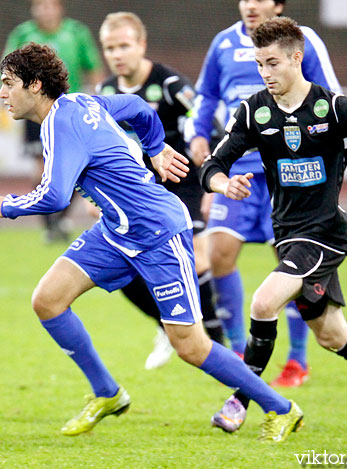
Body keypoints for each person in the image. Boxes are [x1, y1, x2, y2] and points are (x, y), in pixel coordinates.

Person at [0, 42, 303, 441]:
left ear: (34, 85)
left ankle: (282, 407)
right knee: (47, 300)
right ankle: (107, 393)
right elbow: (138, 110)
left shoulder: (62, 123)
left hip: (158, 233)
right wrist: (154, 149)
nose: (2, 93)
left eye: (8, 84)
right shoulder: (82, 103)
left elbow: (54, 196)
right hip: (116, 232)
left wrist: (6, 205)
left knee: (188, 345)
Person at [199, 17, 347, 433]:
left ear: (297, 58)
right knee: (332, 336)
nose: (265, 73)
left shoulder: (334, 108)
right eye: (260, 65)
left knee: (263, 302)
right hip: (287, 233)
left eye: (273, 63)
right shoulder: (254, 110)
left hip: (325, 233)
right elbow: (212, 165)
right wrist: (225, 184)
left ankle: (241, 401)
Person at [189, 0, 342, 391]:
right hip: (238, 169)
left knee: (289, 266)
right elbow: (205, 95)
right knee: (219, 253)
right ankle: (241, 353)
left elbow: (331, 99)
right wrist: (200, 134)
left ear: (278, 4)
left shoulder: (303, 42)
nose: (250, 5)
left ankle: (297, 360)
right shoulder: (223, 43)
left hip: (287, 171)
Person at [97, 11, 224, 370]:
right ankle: (168, 327)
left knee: (198, 259)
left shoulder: (169, 84)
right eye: (110, 48)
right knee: (121, 269)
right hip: (138, 192)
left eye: (124, 45)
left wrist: (213, 181)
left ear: (141, 45)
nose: (117, 54)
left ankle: (219, 344)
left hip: (183, 182)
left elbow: (208, 126)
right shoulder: (105, 92)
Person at [0, 0, 104, 242]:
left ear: (59, 8)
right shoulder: (23, 34)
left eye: (49, 5)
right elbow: (4, 71)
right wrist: (2, 105)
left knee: (78, 166)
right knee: (41, 167)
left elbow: (94, 68)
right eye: (40, 6)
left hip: (69, 111)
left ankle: (60, 219)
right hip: (34, 110)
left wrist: (98, 98)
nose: (45, 10)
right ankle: (50, 224)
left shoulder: (76, 33)